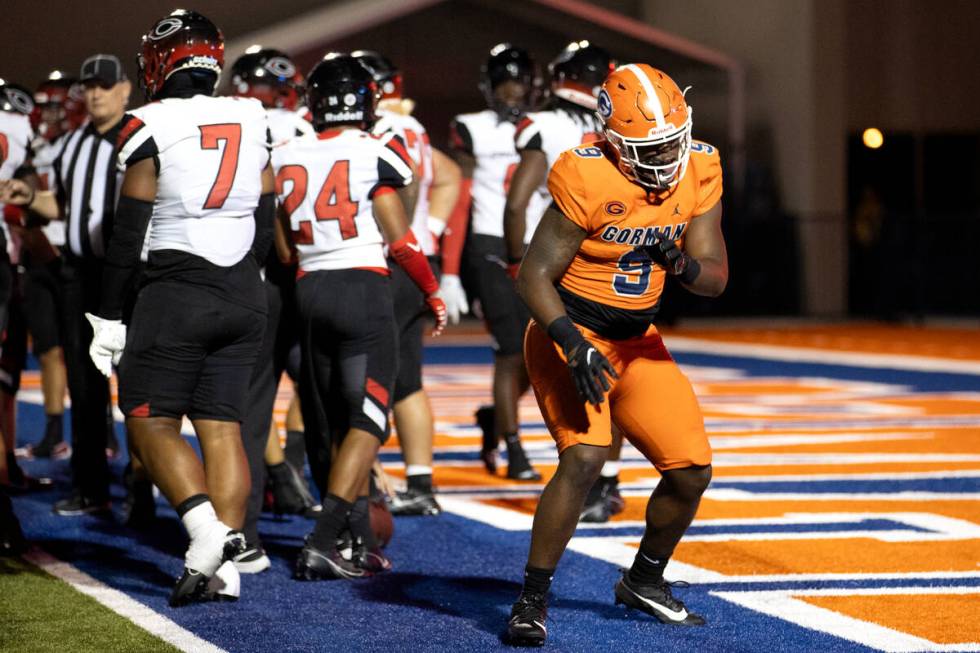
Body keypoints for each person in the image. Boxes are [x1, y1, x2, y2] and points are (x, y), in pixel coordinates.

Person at [505, 63, 726, 645]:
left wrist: (679, 263)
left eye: (670, 143)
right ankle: (532, 598)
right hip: (571, 332)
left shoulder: (700, 165)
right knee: (585, 459)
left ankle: (644, 580)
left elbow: (716, 278)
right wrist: (572, 343)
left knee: (692, 470)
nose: (662, 159)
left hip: (638, 343)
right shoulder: (587, 174)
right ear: (610, 137)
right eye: (648, 147)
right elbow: (533, 276)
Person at [87, 9, 274, 605]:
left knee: (147, 420)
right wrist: (252, 277)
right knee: (223, 428)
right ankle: (229, 569)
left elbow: (127, 229)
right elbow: (266, 214)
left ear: (159, 62)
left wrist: (108, 315)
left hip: (176, 286)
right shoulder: (252, 113)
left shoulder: (147, 121)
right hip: (245, 285)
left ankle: (205, 535)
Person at [274, 53, 445, 580]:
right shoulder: (379, 150)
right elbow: (401, 239)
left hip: (309, 289)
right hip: (363, 290)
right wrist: (432, 292)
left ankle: (356, 538)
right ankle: (326, 539)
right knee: (368, 418)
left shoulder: (284, 155)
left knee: (327, 422)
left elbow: (284, 250)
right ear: (367, 102)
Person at [0, 59, 131, 515]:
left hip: (127, 277)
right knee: (85, 380)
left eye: (104, 86)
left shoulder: (139, 135)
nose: (96, 95)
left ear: (124, 90)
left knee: (137, 383)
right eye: (90, 87)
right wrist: (30, 197)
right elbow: (64, 205)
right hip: (79, 275)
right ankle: (91, 483)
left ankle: (142, 479)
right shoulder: (73, 144)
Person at [502, 40, 625, 523]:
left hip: (558, 262)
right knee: (610, 369)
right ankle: (605, 481)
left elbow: (517, 202)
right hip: (614, 259)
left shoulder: (546, 124)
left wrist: (516, 261)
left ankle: (576, 474)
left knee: (567, 367)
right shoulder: (616, 122)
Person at [353, 49, 462, 516]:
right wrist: (430, 232)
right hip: (416, 263)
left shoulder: (377, 127)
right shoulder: (412, 127)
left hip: (384, 260)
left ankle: (365, 480)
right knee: (409, 380)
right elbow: (450, 174)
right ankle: (421, 482)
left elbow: (406, 184)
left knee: (361, 377)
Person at [227, 46, 316, 574]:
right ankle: (341, 529)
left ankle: (245, 530)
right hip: (312, 276)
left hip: (246, 276)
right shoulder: (307, 129)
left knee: (246, 410)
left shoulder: (226, 121)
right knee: (332, 398)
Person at [450, 44, 542, 481]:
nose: (511, 91)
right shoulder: (471, 127)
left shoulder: (548, 126)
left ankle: (495, 417)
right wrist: (451, 269)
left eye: (518, 81)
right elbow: (460, 197)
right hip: (491, 245)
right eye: (502, 83)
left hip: (543, 245)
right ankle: (514, 446)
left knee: (542, 351)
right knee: (510, 351)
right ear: (488, 87)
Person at [16, 71, 83, 460]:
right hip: (40, 256)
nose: (46, 115)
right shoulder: (33, 146)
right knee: (48, 350)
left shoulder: (82, 144)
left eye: (54, 106)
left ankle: (101, 432)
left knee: (82, 351)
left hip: (74, 257)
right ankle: (55, 432)